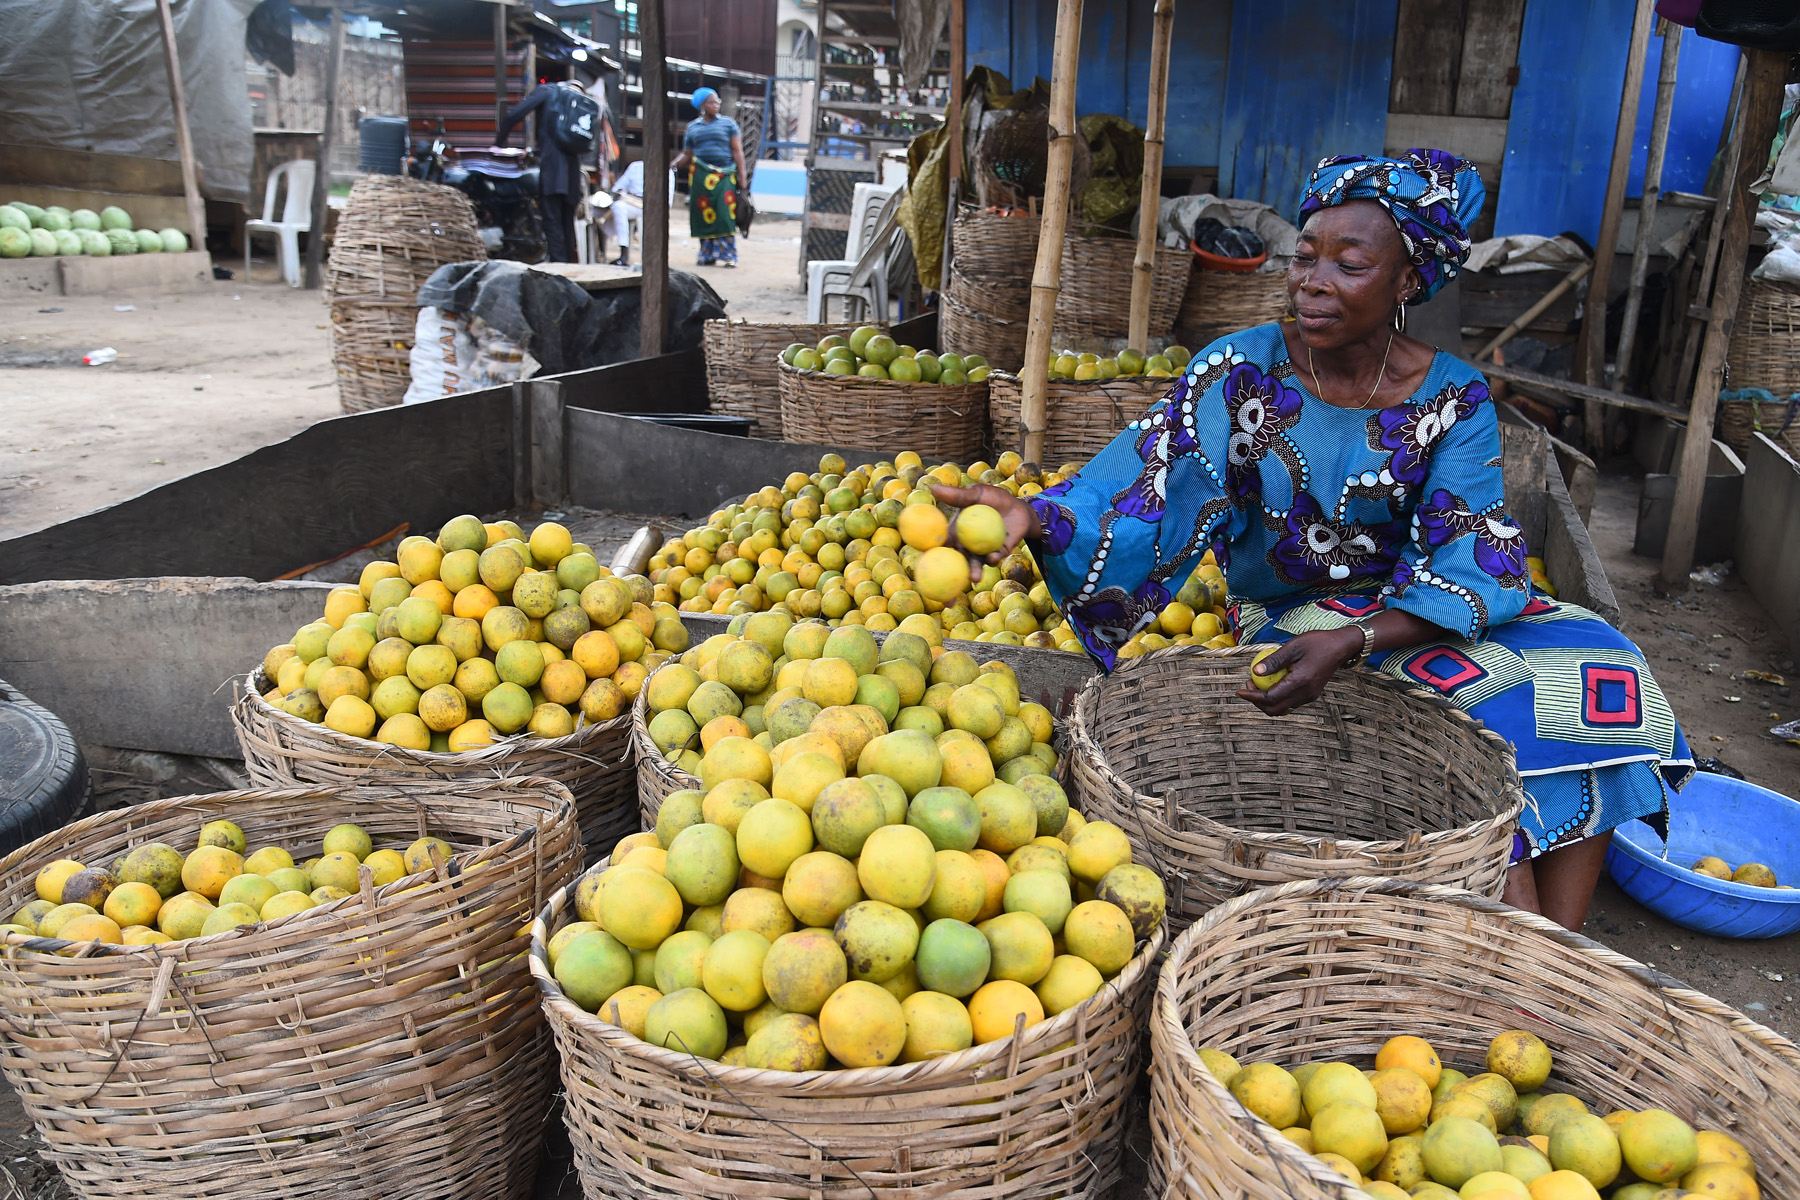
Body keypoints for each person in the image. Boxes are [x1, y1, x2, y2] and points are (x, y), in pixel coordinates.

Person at [937, 149, 1693, 934]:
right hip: (1293, 613)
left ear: (1406, 282)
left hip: (1421, 608)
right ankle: (1521, 940)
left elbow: (1471, 549)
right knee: (1482, 701)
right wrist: (1041, 515)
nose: (1313, 280)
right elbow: (1147, 481)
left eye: (1349, 263)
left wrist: (1361, 635)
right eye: (1305, 257)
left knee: (1607, 667)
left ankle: (1557, 947)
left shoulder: (1453, 397)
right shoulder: (1239, 373)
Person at [497, 80, 588, 263]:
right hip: (573, 176)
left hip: (553, 172)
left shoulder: (548, 91)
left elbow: (513, 116)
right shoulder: (576, 104)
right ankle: (569, 270)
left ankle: (559, 273)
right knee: (566, 227)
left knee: (553, 225)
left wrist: (498, 144)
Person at [671, 87, 748, 267]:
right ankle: (707, 254)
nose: (716, 105)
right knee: (703, 214)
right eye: (711, 102)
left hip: (725, 174)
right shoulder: (693, 127)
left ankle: (728, 254)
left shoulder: (728, 125)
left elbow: (738, 151)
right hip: (701, 176)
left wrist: (742, 178)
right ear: (702, 106)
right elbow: (687, 153)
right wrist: (674, 163)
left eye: (717, 102)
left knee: (724, 214)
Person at [605, 157, 644, 266]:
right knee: (618, 207)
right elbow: (618, 187)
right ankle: (624, 254)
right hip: (632, 203)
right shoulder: (635, 166)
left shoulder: (667, 170)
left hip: (653, 208)